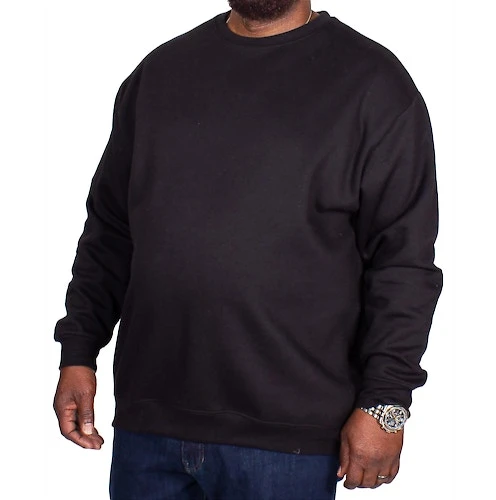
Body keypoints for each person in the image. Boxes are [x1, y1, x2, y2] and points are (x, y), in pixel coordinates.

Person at [52, 1, 444, 498]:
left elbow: (403, 263)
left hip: (287, 440)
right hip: (148, 426)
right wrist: (79, 351)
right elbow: (110, 231)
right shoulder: (160, 73)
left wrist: (385, 403)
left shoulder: (373, 84)